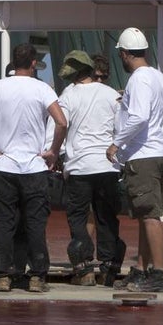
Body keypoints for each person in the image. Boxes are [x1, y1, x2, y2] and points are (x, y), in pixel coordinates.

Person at [0, 43, 68, 293]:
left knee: (4, 222)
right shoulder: (42, 88)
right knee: (36, 223)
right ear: (34, 63)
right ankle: (36, 276)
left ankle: (3, 275)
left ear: (14, 63)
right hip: (34, 167)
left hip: (3, 165)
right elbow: (61, 121)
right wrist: (53, 152)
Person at [106, 27, 163, 292]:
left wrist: (116, 143)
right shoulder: (158, 76)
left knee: (149, 216)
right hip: (160, 152)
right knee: (147, 215)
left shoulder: (138, 79)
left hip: (143, 155)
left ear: (124, 54)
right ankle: (142, 271)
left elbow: (139, 117)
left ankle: (159, 274)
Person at [56, 50, 126, 287]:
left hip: (80, 167)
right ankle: (108, 268)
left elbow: (59, 126)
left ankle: (84, 269)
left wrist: (56, 154)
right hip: (108, 166)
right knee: (106, 217)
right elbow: (121, 130)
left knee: (77, 217)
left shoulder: (68, 95)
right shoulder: (111, 95)